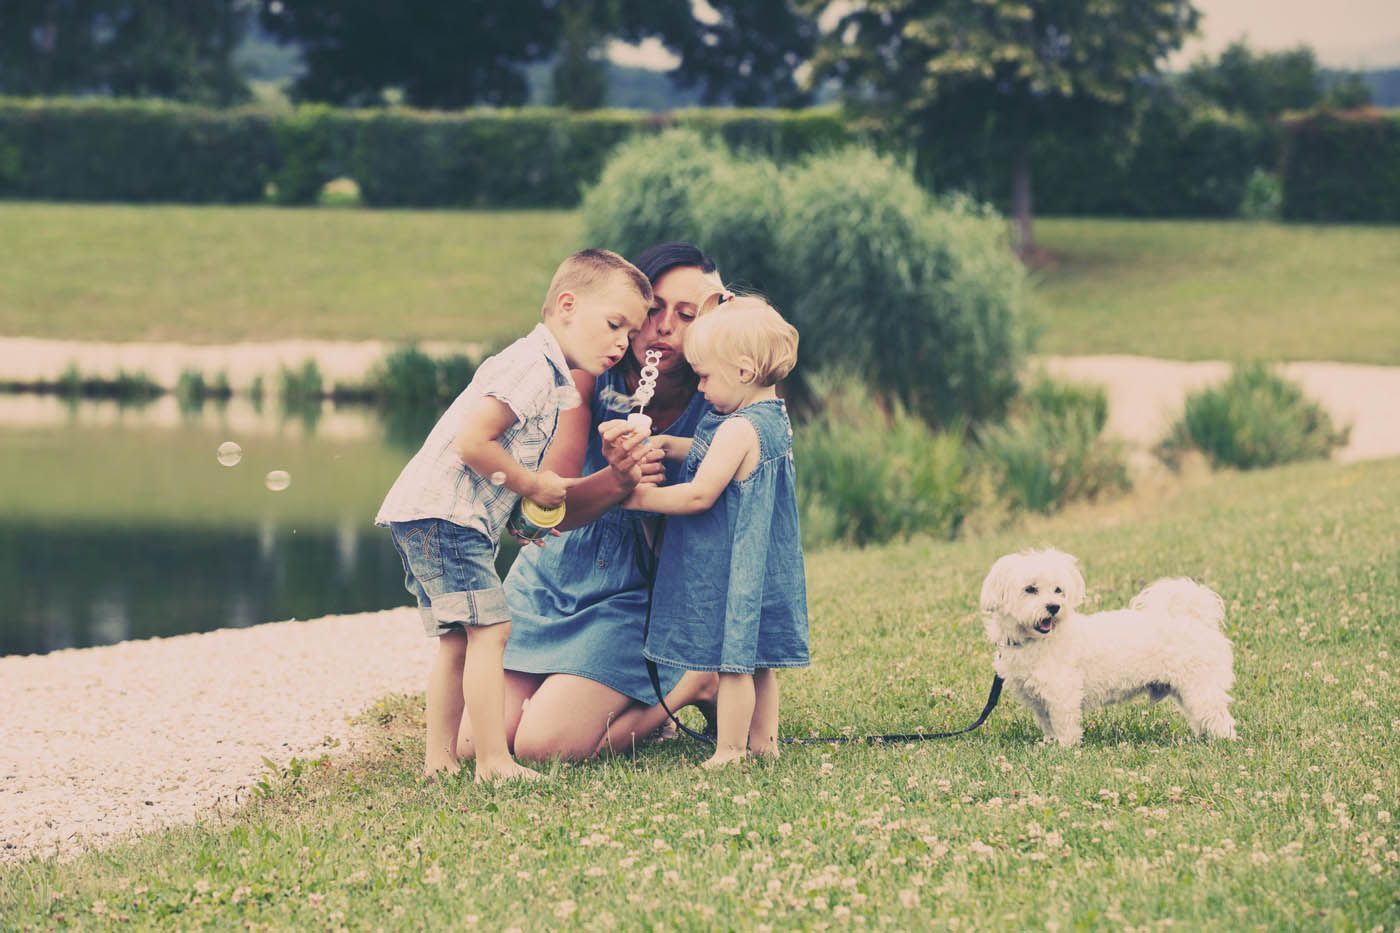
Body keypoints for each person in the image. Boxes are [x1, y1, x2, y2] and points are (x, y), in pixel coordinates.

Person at [375, 248, 652, 781]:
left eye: (631, 333)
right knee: (491, 630)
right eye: (614, 324)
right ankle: (493, 763)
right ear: (567, 306)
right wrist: (533, 483)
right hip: (448, 516)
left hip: (432, 513)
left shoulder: (541, 369)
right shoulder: (533, 365)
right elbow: (473, 442)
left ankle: (439, 760)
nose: (623, 343)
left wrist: (523, 515)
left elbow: (493, 463)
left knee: (458, 640)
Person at [486, 243, 728, 762]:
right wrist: (616, 481)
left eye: (687, 315)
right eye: (653, 309)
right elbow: (555, 507)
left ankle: (693, 685)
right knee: (473, 741)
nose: (664, 327)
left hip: (640, 592)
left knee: (542, 746)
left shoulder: (723, 393)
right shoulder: (588, 374)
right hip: (556, 576)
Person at [623, 297, 809, 768]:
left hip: (733, 565)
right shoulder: (771, 417)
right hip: (763, 562)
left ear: (743, 371)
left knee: (734, 665)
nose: (700, 387)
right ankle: (764, 744)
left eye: (705, 376)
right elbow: (714, 453)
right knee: (759, 663)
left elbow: (698, 495)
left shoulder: (737, 429)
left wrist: (636, 499)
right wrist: (669, 445)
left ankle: (730, 749)